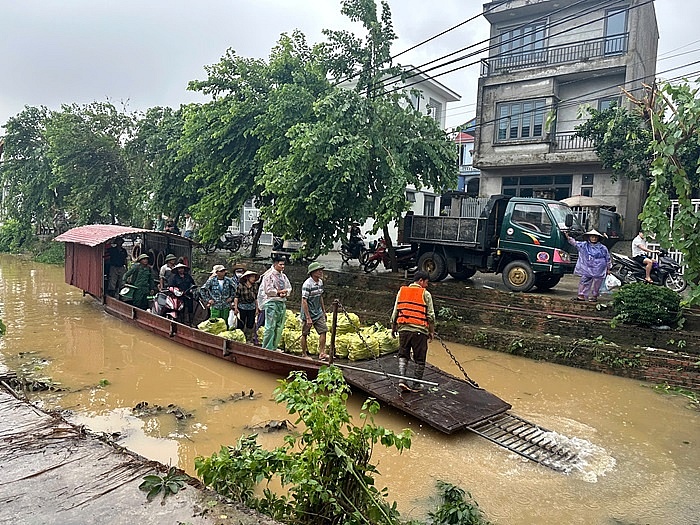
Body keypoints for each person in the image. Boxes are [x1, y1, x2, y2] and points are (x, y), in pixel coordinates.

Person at [391, 271, 435, 392]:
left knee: (403, 354)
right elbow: (430, 316)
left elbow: (395, 311)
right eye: (426, 282)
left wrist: (393, 327)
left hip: (404, 330)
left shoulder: (402, 292)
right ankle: (416, 384)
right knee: (420, 358)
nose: (426, 285)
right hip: (419, 331)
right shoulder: (425, 294)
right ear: (421, 281)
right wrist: (431, 331)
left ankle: (402, 379)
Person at [566, 229, 611, 302]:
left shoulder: (603, 248)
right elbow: (575, 243)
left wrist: (608, 268)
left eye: (595, 237)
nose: (594, 238)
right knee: (584, 281)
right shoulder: (584, 245)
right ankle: (581, 295)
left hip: (599, 268)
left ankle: (594, 296)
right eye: (592, 237)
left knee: (597, 283)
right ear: (589, 237)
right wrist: (568, 237)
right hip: (587, 268)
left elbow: (608, 258)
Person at [261, 254, 292, 351]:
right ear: (275, 264)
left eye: (283, 265)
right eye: (281, 264)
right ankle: (267, 347)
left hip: (281, 302)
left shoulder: (283, 276)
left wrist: (285, 293)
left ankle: (274, 347)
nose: (282, 266)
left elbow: (289, 287)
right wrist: (278, 293)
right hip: (272, 302)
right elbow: (268, 290)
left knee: (279, 326)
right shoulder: (269, 276)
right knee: (270, 326)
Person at [300, 262, 328, 360]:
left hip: (318, 311)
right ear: (312, 272)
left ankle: (322, 353)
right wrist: (308, 317)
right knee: (304, 334)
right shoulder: (307, 284)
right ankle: (304, 354)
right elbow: (304, 301)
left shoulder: (320, 282)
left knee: (323, 330)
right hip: (308, 312)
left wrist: (323, 311)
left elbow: (320, 297)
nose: (320, 272)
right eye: (318, 270)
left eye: (321, 270)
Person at [233, 270, 259, 343]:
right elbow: (236, 297)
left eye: (254, 277)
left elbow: (256, 298)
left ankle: (248, 339)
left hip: (252, 307)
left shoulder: (255, 286)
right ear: (247, 278)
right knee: (241, 323)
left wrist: (257, 309)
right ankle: (239, 338)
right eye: (252, 277)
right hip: (242, 307)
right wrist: (236, 307)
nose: (253, 278)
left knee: (250, 324)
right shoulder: (241, 286)